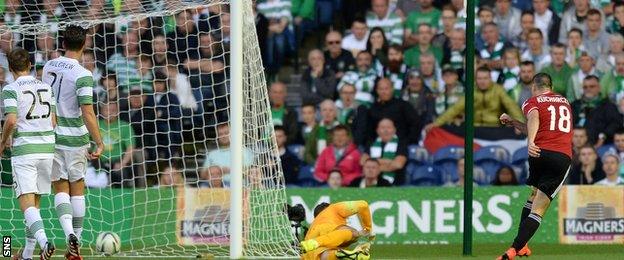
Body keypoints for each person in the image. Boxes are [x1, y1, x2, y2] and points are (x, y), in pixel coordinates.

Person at [42, 25, 104, 260]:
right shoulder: (83, 74)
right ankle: (74, 242)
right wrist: (99, 141)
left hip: (53, 135)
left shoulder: (48, 66)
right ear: (84, 44)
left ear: (63, 43)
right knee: (77, 187)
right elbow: (87, 112)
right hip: (76, 138)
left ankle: (69, 234)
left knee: (59, 187)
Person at [498, 73, 574, 259]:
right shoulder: (565, 102)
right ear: (551, 86)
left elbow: (534, 118)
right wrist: (515, 124)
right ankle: (513, 250)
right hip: (561, 156)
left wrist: (530, 142)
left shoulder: (532, 101)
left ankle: (521, 246)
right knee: (539, 208)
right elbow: (539, 123)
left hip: (538, 154)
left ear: (534, 86)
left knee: (533, 196)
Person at [0, 48, 56, 260]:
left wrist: (3, 141)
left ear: (10, 68)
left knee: (26, 204)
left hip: (25, 150)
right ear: (30, 66)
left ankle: (44, 243)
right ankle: (27, 255)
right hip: (47, 149)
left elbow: (12, 120)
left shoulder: (11, 89)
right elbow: (53, 122)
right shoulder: (45, 87)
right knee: (35, 206)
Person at [427, 67, 522, 129]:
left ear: (490, 78)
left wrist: (519, 124)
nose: (482, 81)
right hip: (474, 128)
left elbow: (511, 106)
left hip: (494, 127)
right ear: (476, 79)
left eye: (485, 78)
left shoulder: (498, 90)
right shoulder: (472, 90)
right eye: (479, 78)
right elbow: (455, 109)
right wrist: (436, 124)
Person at [300, 201, 373, 260]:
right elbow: (363, 205)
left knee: (327, 252)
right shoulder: (333, 209)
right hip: (323, 235)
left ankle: (338, 254)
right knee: (352, 232)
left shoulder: (311, 229)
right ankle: (318, 243)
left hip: (307, 252)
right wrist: (367, 229)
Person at [571, 75, 622, 144]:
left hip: (602, 145)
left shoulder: (608, 106)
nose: (588, 89)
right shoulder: (575, 105)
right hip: (575, 144)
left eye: (592, 86)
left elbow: (616, 123)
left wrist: (604, 135)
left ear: (599, 88)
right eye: (585, 87)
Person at [96, 102, 137, 188]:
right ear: (101, 111)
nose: (110, 112)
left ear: (118, 111)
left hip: (116, 161)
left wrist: (123, 163)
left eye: (113, 110)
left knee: (120, 173)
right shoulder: (95, 125)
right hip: (96, 162)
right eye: (107, 110)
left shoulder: (125, 126)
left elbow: (130, 147)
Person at [360, 118, 407, 185]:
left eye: (389, 127)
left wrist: (373, 166)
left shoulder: (401, 144)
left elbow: (398, 165)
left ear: (394, 130)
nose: (386, 130)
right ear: (377, 130)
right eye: (382, 128)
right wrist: (388, 161)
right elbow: (363, 162)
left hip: (395, 183)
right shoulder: (371, 143)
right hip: (371, 182)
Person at [304, 100, 340, 164]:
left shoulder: (343, 129)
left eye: (330, 110)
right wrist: (316, 164)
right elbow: (307, 153)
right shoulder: (316, 129)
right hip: (318, 164)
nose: (327, 113)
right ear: (321, 113)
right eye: (324, 110)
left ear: (335, 113)